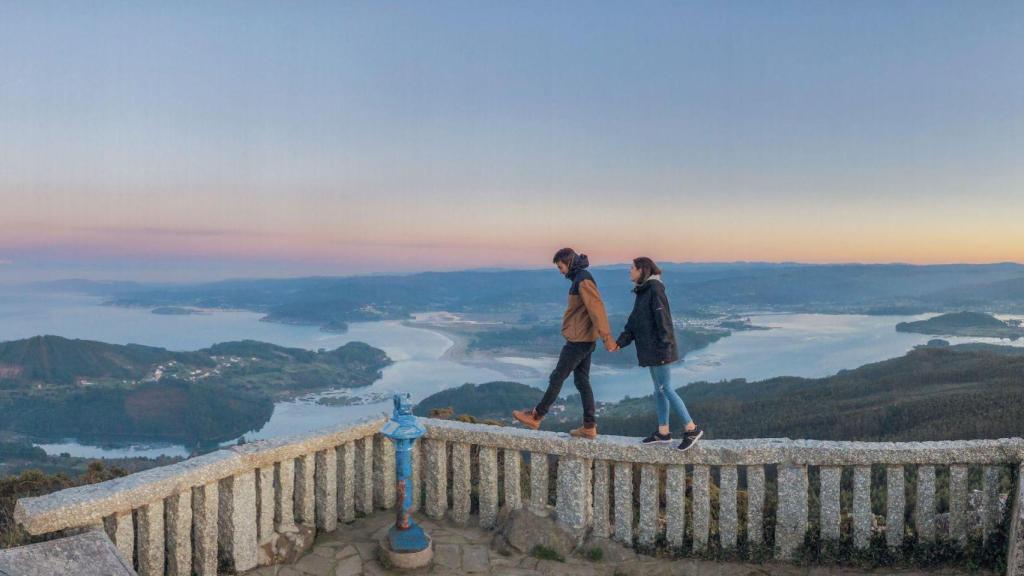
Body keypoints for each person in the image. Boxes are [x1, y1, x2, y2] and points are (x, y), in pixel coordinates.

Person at [513, 248, 617, 439]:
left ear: (568, 262)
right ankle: (589, 426)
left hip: (578, 341)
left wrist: (607, 338)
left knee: (557, 377)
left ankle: (537, 415)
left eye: (560, 266)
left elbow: (597, 309)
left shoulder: (583, 279)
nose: (560, 271)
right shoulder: (579, 278)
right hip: (585, 339)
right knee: (582, 382)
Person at [615, 257, 703, 451]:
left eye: (632, 268)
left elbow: (664, 320)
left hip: (660, 348)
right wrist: (620, 343)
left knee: (666, 388)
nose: (629, 271)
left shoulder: (655, 289)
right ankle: (663, 432)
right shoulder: (644, 291)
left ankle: (691, 428)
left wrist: (666, 347)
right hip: (652, 349)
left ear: (642, 270)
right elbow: (634, 322)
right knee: (659, 390)